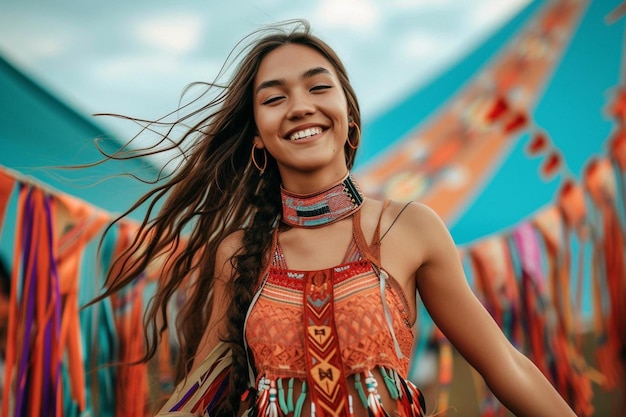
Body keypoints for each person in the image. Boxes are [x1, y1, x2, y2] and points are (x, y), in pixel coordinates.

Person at [99, 20, 578, 417]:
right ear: (258, 137)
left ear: (348, 114)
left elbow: (505, 367)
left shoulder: (408, 228)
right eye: (274, 98)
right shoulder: (239, 253)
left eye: (318, 87)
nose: (300, 106)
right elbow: (196, 400)